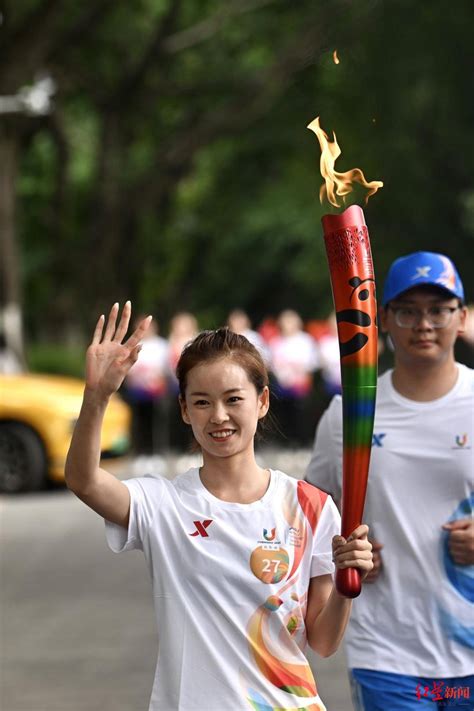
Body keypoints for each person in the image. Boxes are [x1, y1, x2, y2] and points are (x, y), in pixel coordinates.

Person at [65, 300, 373, 711]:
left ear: (262, 401)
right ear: (185, 410)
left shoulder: (309, 505)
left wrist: (346, 584)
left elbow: (323, 641)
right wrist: (97, 397)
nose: (219, 416)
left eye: (233, 399)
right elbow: (84, 480)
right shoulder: (164, 505)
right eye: (203, 402)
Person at [306, 251, 474, 710]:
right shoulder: (348, 415)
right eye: (408, 310)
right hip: (386, 651)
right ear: (381, 319)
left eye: (439, 310)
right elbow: (307, 520)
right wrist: (343, 555)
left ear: (461, 317)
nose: (424, 324)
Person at [269, 309, 320, 446]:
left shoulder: (305, 340)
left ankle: (303, 441)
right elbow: (272, 364)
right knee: (284, 414)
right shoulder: (276, 342)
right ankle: (286, 441)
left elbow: (312, 362)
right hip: (282, 385)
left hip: (301, 385)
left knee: (301, 414)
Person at [122, 314, 169, 454]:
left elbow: (166, 368)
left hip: (156, 391)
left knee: (156, 423)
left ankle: (156, 452)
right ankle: (141, 452)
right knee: (139, 423)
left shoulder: (161, 345)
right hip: (137, 390)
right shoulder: (131, 345)